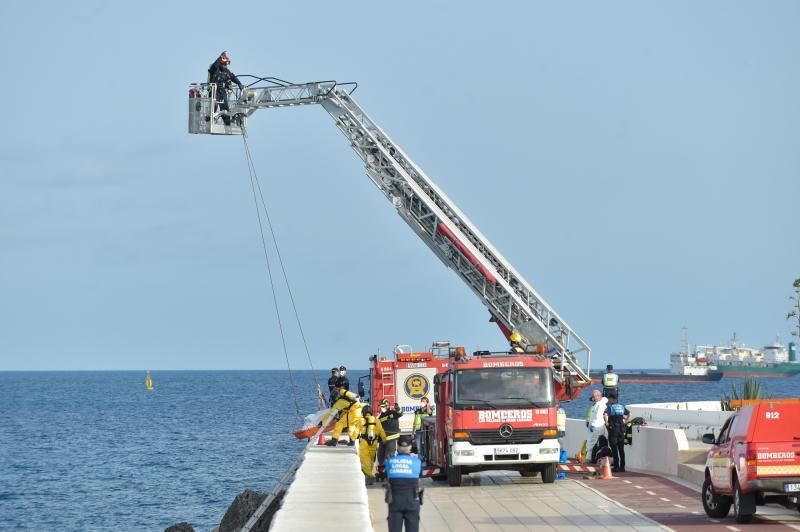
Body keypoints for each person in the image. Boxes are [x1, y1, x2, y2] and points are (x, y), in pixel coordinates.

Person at [385, 436, 422, 532]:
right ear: (410, 447)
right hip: (412, 500)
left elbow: (388, 476)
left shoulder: (390, 462)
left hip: (395, 500)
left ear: (397, 446)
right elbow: (419, 478)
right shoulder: (417, 462)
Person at [207, 51, 243, 125]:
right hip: (214, 91)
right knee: (214, 105)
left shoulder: (226, 71)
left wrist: (239, 84)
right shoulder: (215, 70)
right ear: (220, 63)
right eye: (224, 64)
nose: (226, 65)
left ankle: (227, 122)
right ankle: (210, 120)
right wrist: (220, 57)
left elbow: (233, 77)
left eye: (227, 64)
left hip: (222, 92)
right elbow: (214, 66)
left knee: (225, 108)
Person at [603, 393, 631, 472]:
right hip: (621, 429)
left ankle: (616, 467)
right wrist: (626, 422)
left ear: (612, 399)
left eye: (609, 399)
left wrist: (607, 424)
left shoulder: (610, 407)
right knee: (621, 449)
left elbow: (605, 415)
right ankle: (622, 467)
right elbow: (630, 414)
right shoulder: (621, 406)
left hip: (614, 430)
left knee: (614, 448)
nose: (609, 400)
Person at [359, 405, 386, 484]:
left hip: (364, 442)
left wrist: (352, 439)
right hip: (374, 442)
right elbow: (381, 431)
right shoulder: (377, 421)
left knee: (364, 459)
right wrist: (384, 440)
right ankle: (369, 475)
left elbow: (356, 431)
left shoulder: (361, 420)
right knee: (371, 460)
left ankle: (369, 476)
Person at [377, 400, 403, 479]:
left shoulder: (392, 413)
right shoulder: (380, 416)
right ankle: (382, 472)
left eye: (383, 407)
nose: (382, 408)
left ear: (387, 406)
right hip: (383, 439)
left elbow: (400, 413)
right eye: (381, 407)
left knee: (389, 456)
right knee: (380, 456)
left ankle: (390, 473)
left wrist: (398, 408)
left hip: (392, 438)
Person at [584, 389, 608, 464]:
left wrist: (593, 425)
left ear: (598, 396)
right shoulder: (597, 404)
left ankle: (588, 460)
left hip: (597, 426)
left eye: (594, 396)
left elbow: (597, 416)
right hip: (597, 426)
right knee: (592, 442)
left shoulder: (600, 405)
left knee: (591, 443)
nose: (593, 398)